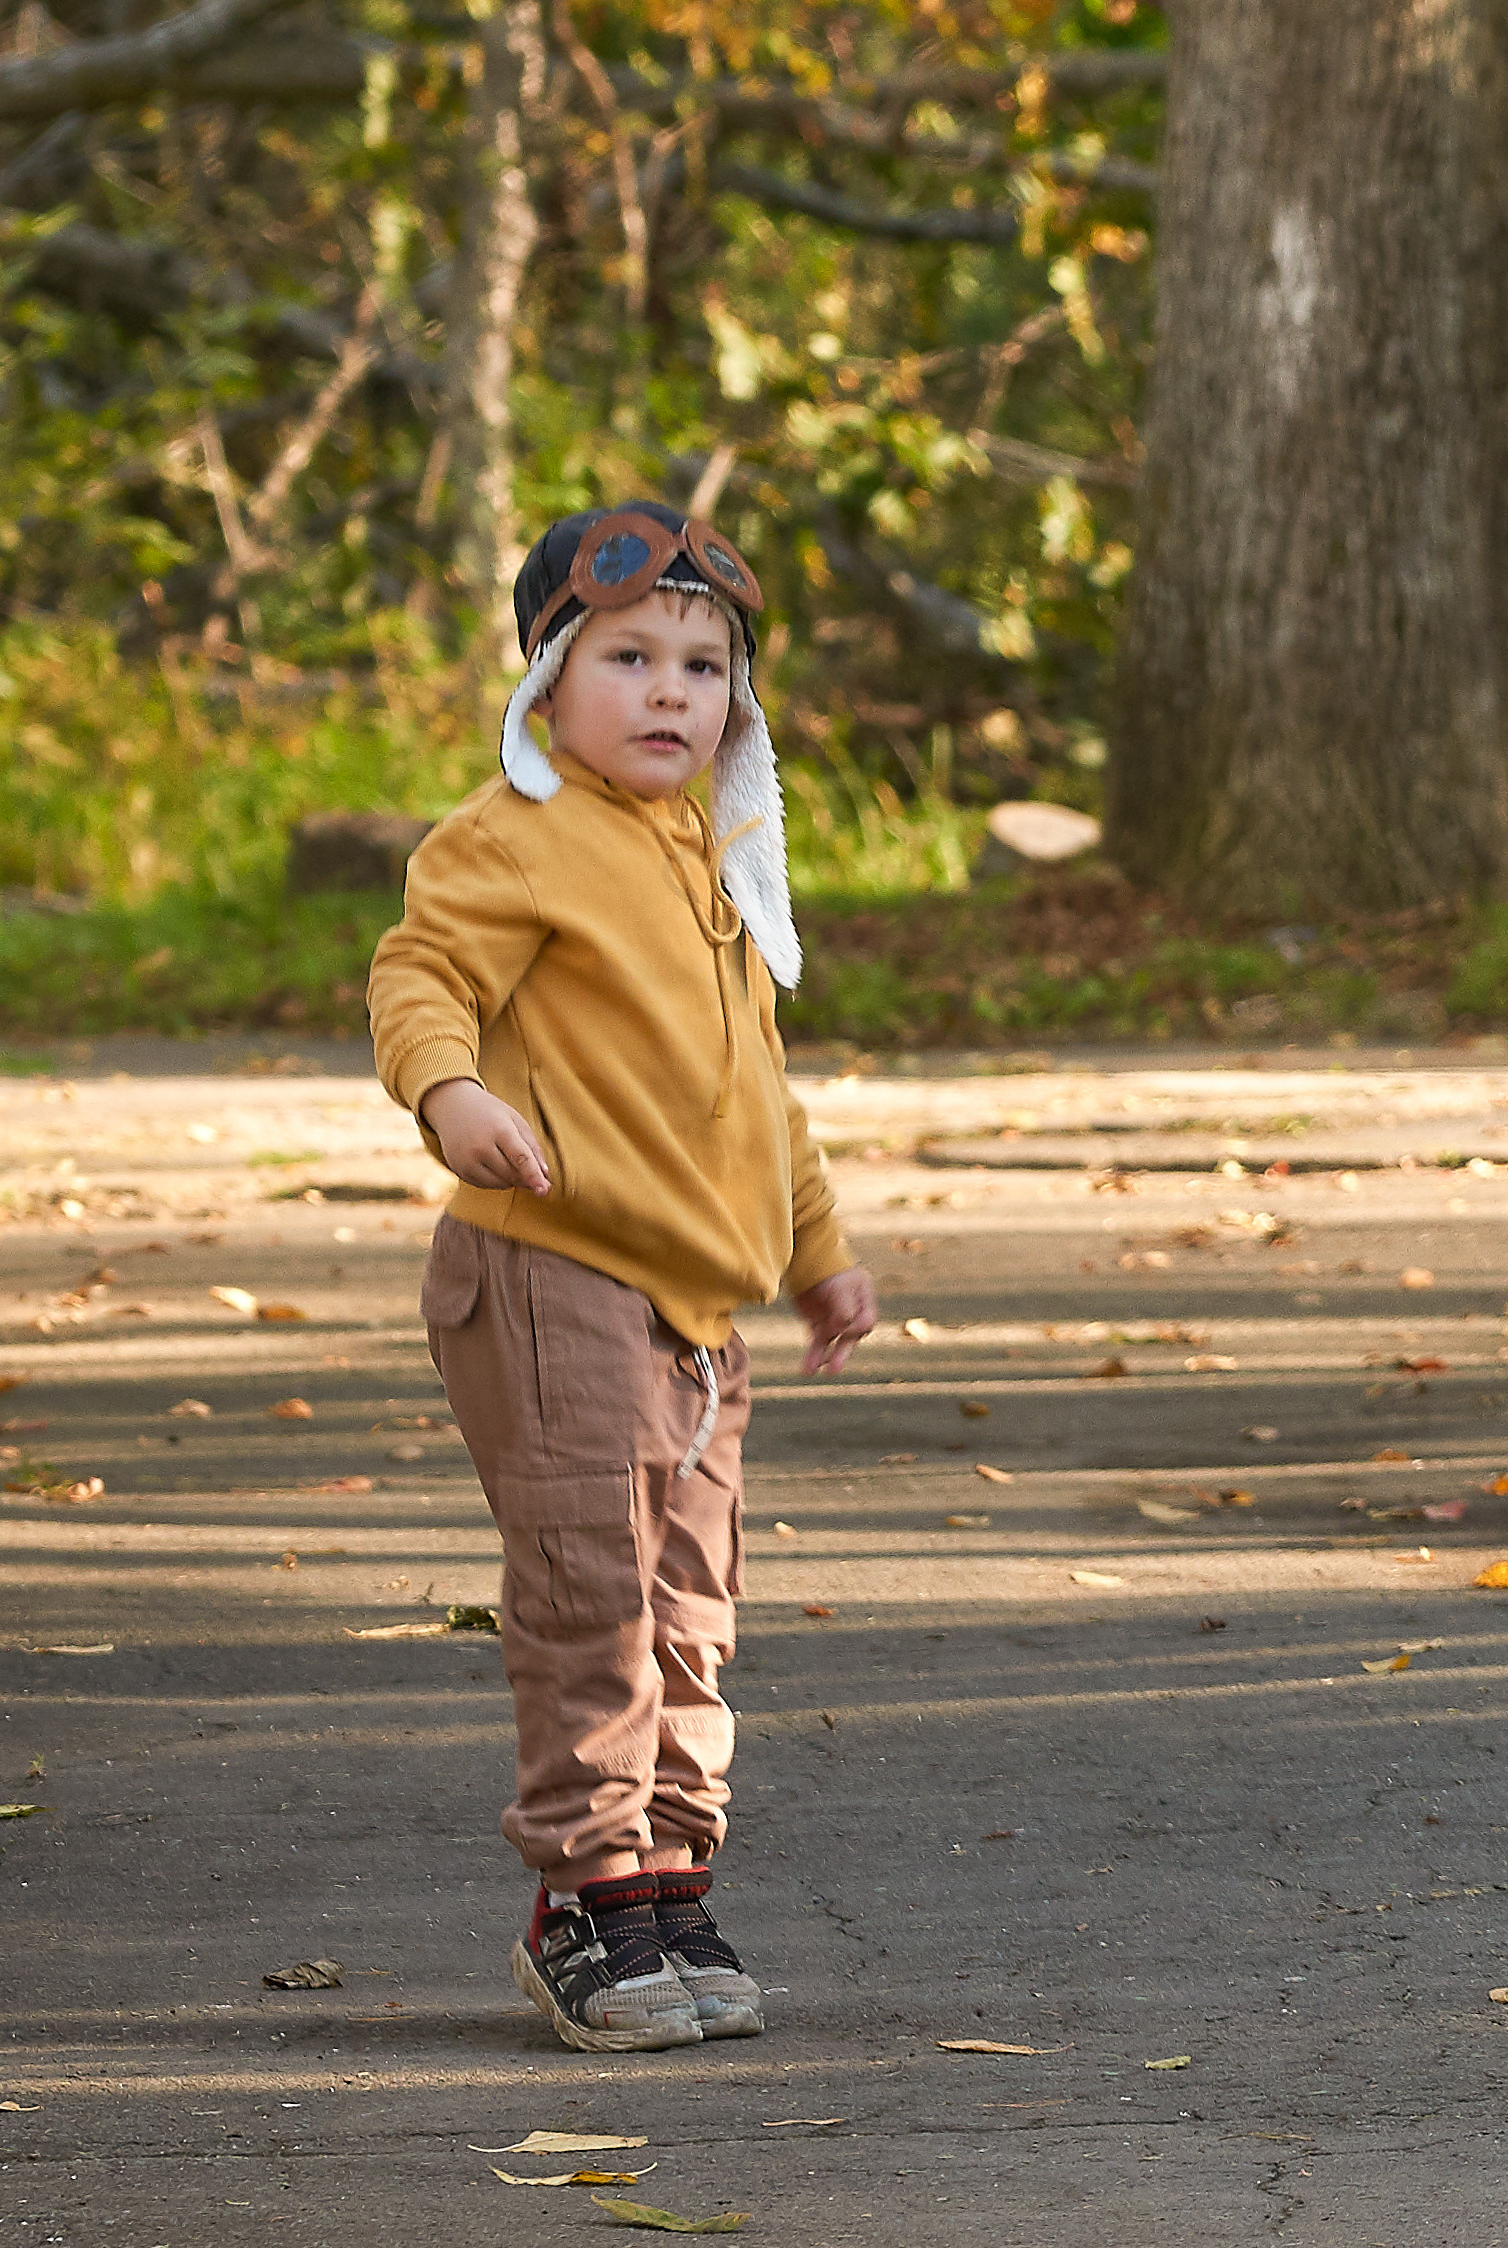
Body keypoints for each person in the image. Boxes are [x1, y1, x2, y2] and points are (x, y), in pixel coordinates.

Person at [368, 501, 878, 2053]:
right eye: (630, 658)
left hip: (697, 1311)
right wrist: (449, 1093)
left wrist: (818, 1249)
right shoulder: (513, 837)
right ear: (545, 680)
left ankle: (666, 1876)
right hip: (551, 1273)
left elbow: (756, 1091)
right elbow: (422, 972)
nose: (671, 692)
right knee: (592, 1591)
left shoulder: (714, 862)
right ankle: (580, 1894)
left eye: (704, 666)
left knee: (687, 1603)